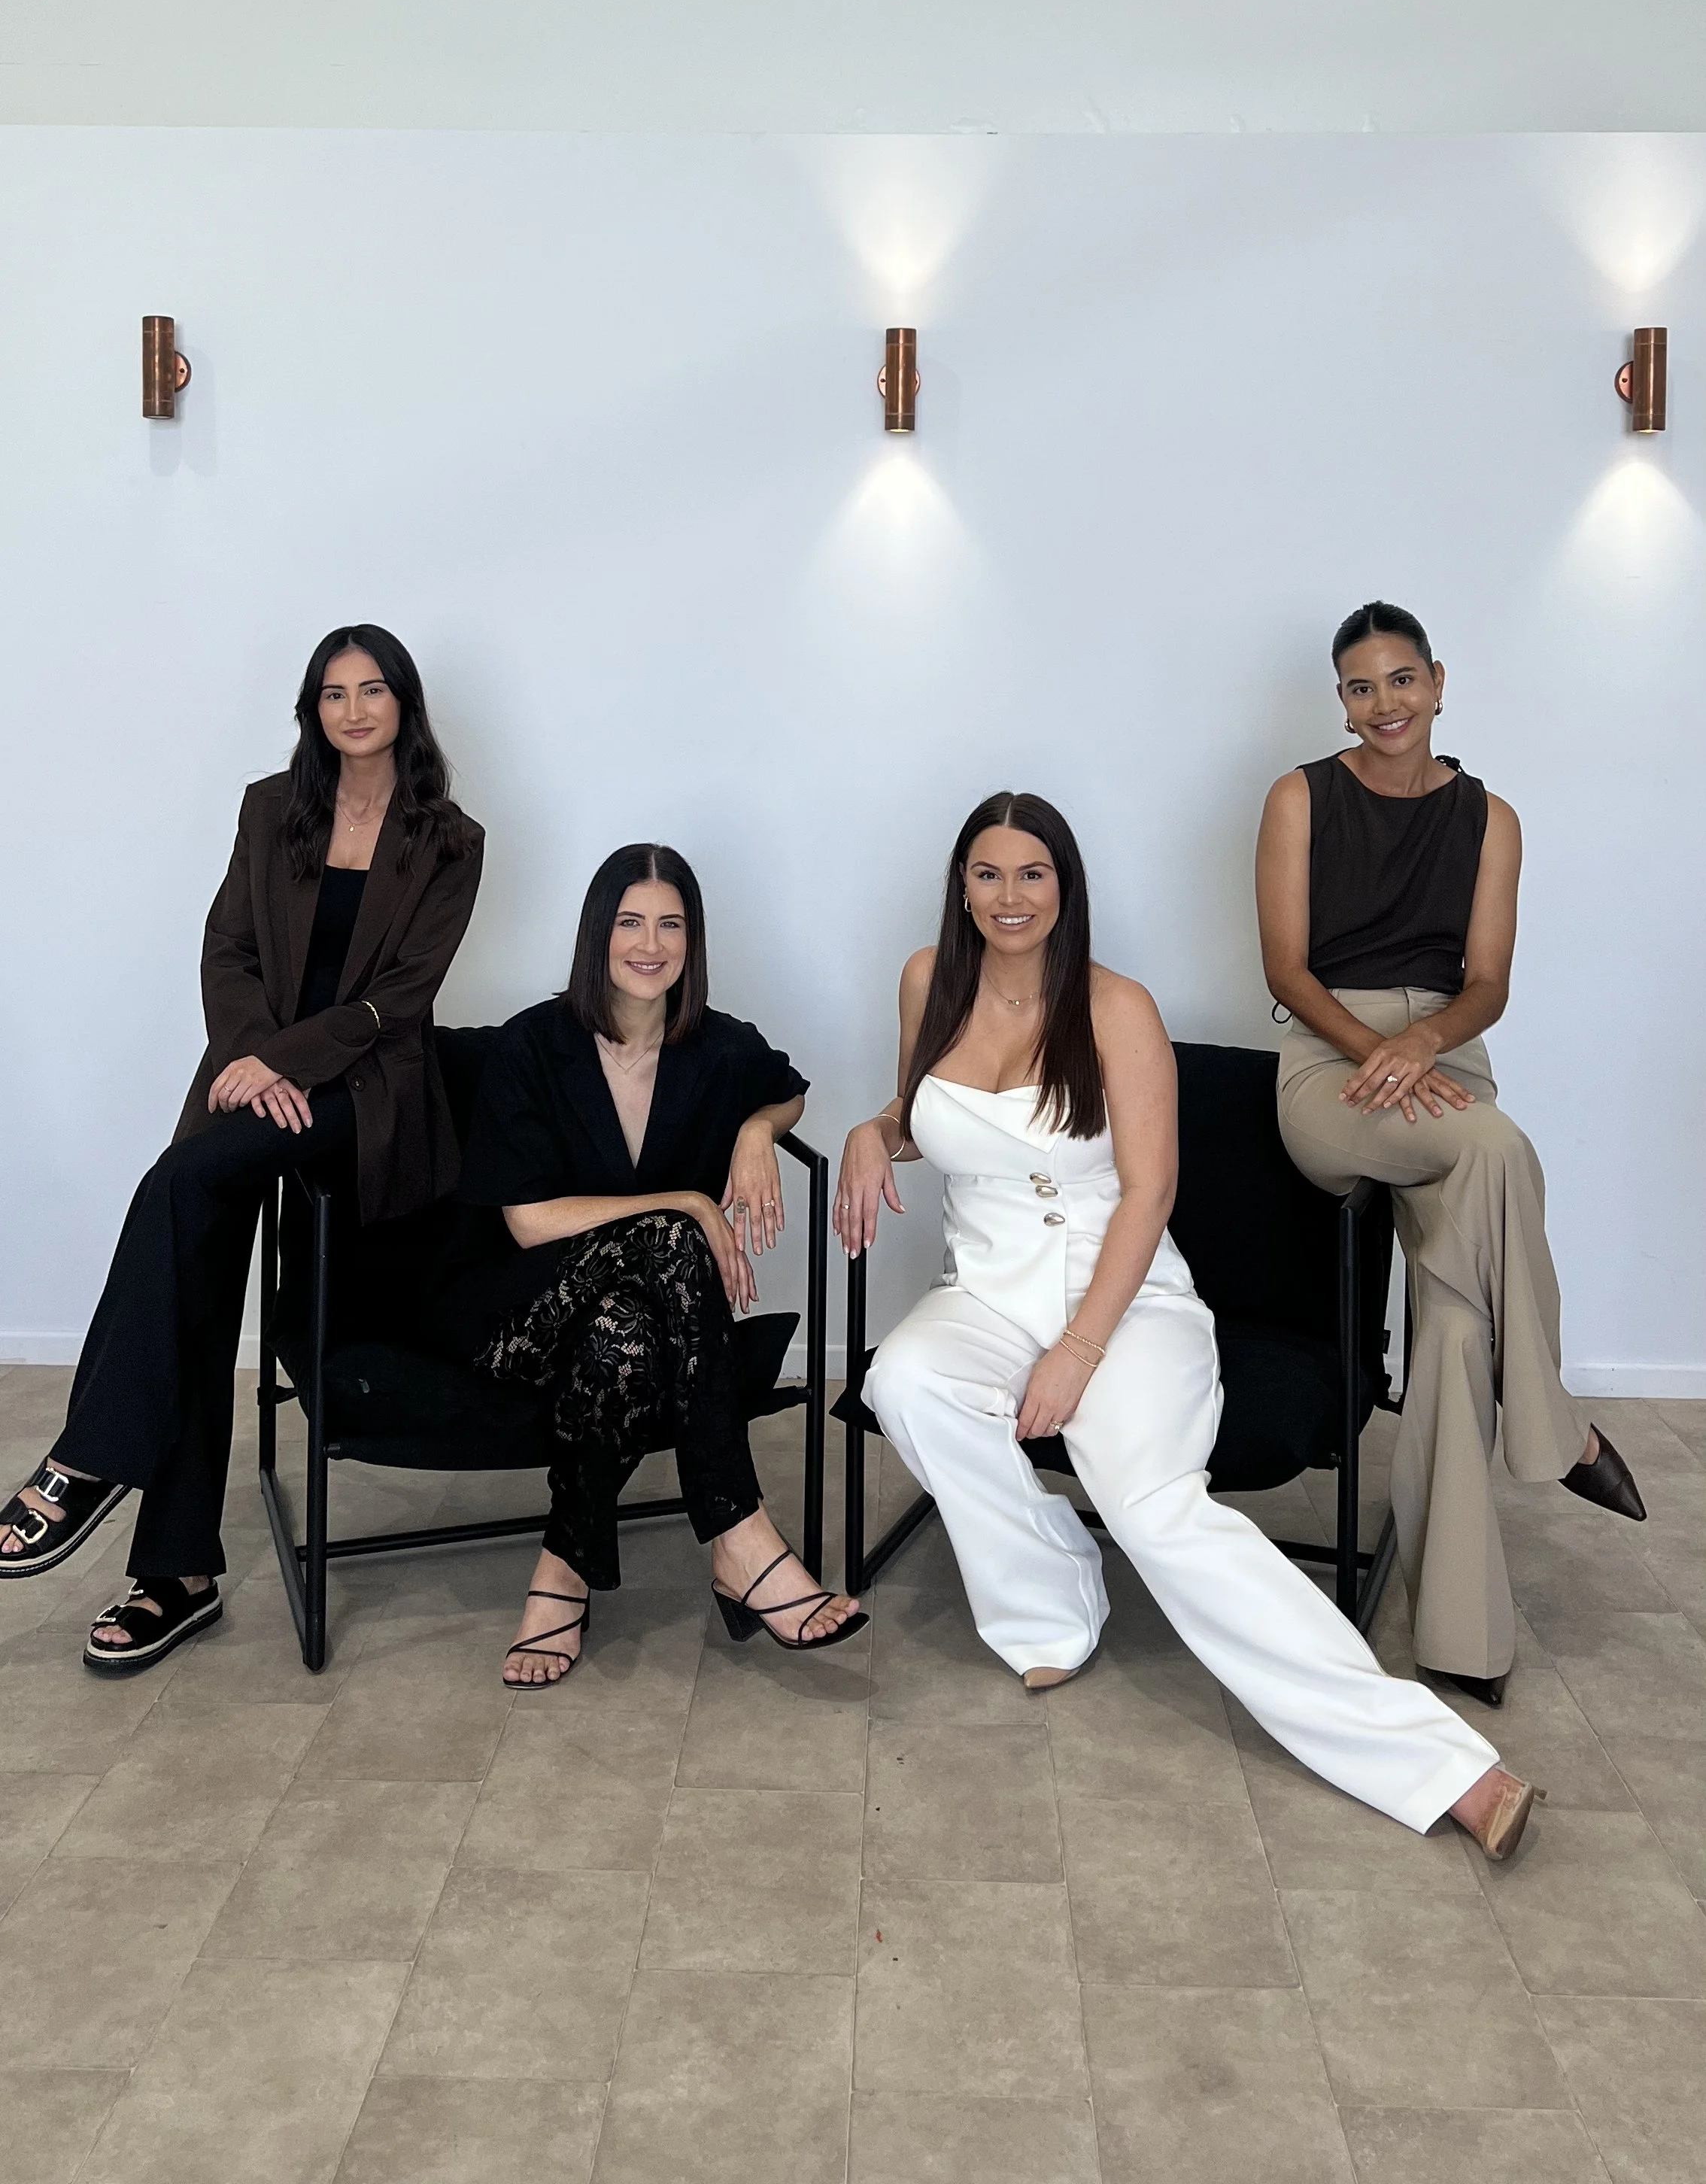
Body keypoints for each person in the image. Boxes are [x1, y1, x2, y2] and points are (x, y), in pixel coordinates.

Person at [838, 791, 1541, 1857]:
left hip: (1122, 1298)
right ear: (962, 886)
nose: (1010, 895)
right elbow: (924, 1121)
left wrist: (1079, 1352)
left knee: (1158, 1510)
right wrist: (871, 1129)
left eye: (1033, 874)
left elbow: (1149, 1191)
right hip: (984, 1291)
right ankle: (1049, 1601)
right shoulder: (928, 981)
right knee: (904, 1380)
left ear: (1066, 887)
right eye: (989, 874)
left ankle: (1442, 1768)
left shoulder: (1117, 1006)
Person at [0, 624, 484, 1674]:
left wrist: (289, 1066)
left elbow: (401, 1001)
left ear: (405, 702)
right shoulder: (274, 808)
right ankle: (177, 1576)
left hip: (363, 1094)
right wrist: (252, 1059)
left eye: (373, 690)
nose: (353, 710)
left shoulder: (451, 838)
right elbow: (229, 946)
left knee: (176, 1186)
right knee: (196, 1258)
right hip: (251, 1074)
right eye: (332, 693)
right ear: (312, 709)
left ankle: (89, 1463)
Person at [1255, 600, 1644, 1706]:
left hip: (1446, 1060)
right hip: (1331, 1066)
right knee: (1503, 1149)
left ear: (1438, 683)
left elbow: (1488, 982)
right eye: (1360, 687)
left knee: (1456, 1321)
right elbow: (1286, 970)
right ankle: (1558, 1429)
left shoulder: (1491, 817)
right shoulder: (1300, 797)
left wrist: (1424, 1043)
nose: (1384, 705)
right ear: (1343, 699)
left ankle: (1461, 1639)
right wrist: (1379, 1050)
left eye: (1401, 681)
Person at [454, 842, 865, 1686]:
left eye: (670, 924)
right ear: (597, 933)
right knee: (675, 1237)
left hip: (624, 1335)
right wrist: (685, 1202)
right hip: (525, 1316)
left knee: (627, 1337)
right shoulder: (531, 1045)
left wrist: (757, 1131)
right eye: (630, 922)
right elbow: (529, 1224)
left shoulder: (717, 1048)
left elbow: (789, 1089)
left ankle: (562, 1568)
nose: (650, 944)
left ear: (693, 939)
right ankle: (740, 1538)